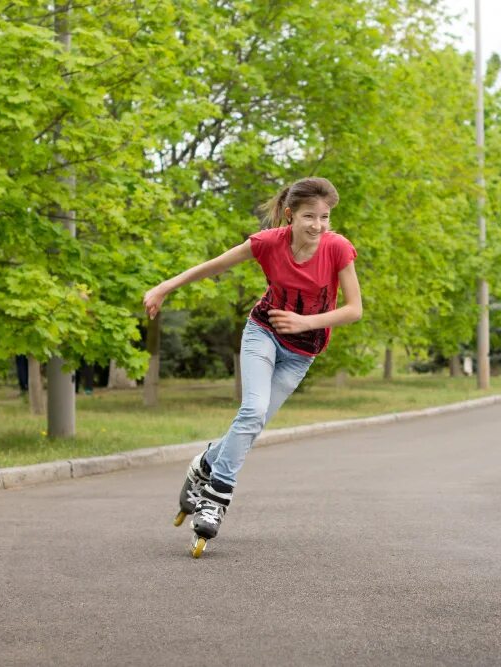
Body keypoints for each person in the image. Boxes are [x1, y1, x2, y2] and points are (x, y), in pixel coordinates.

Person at [142, 177, 362, 556]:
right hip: (264, 331)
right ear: (291, 215)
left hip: (303, 350)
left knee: (253, 423)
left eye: (325, 217)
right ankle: (215, 498)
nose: (318, 226)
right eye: (310, 216)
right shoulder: (268, 243)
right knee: (252, 410)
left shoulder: (338, 248)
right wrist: (164, 287)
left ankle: (203, 465)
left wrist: (305, 322)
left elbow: (354, 309)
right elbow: (213, 266)